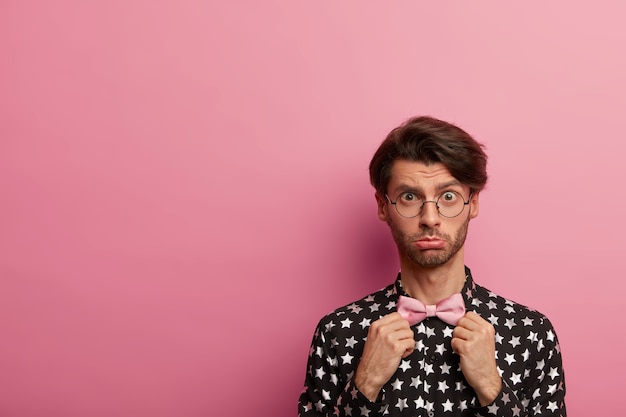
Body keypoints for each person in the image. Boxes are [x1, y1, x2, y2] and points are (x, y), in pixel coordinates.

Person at [298, 116, 566, 416]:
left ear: (473, 203)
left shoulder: (531, 334)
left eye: (448, 197)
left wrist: (493, 387)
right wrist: (366, 383)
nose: (430, 218)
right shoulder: (337, 333)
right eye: (409, 197)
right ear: (383, 206)